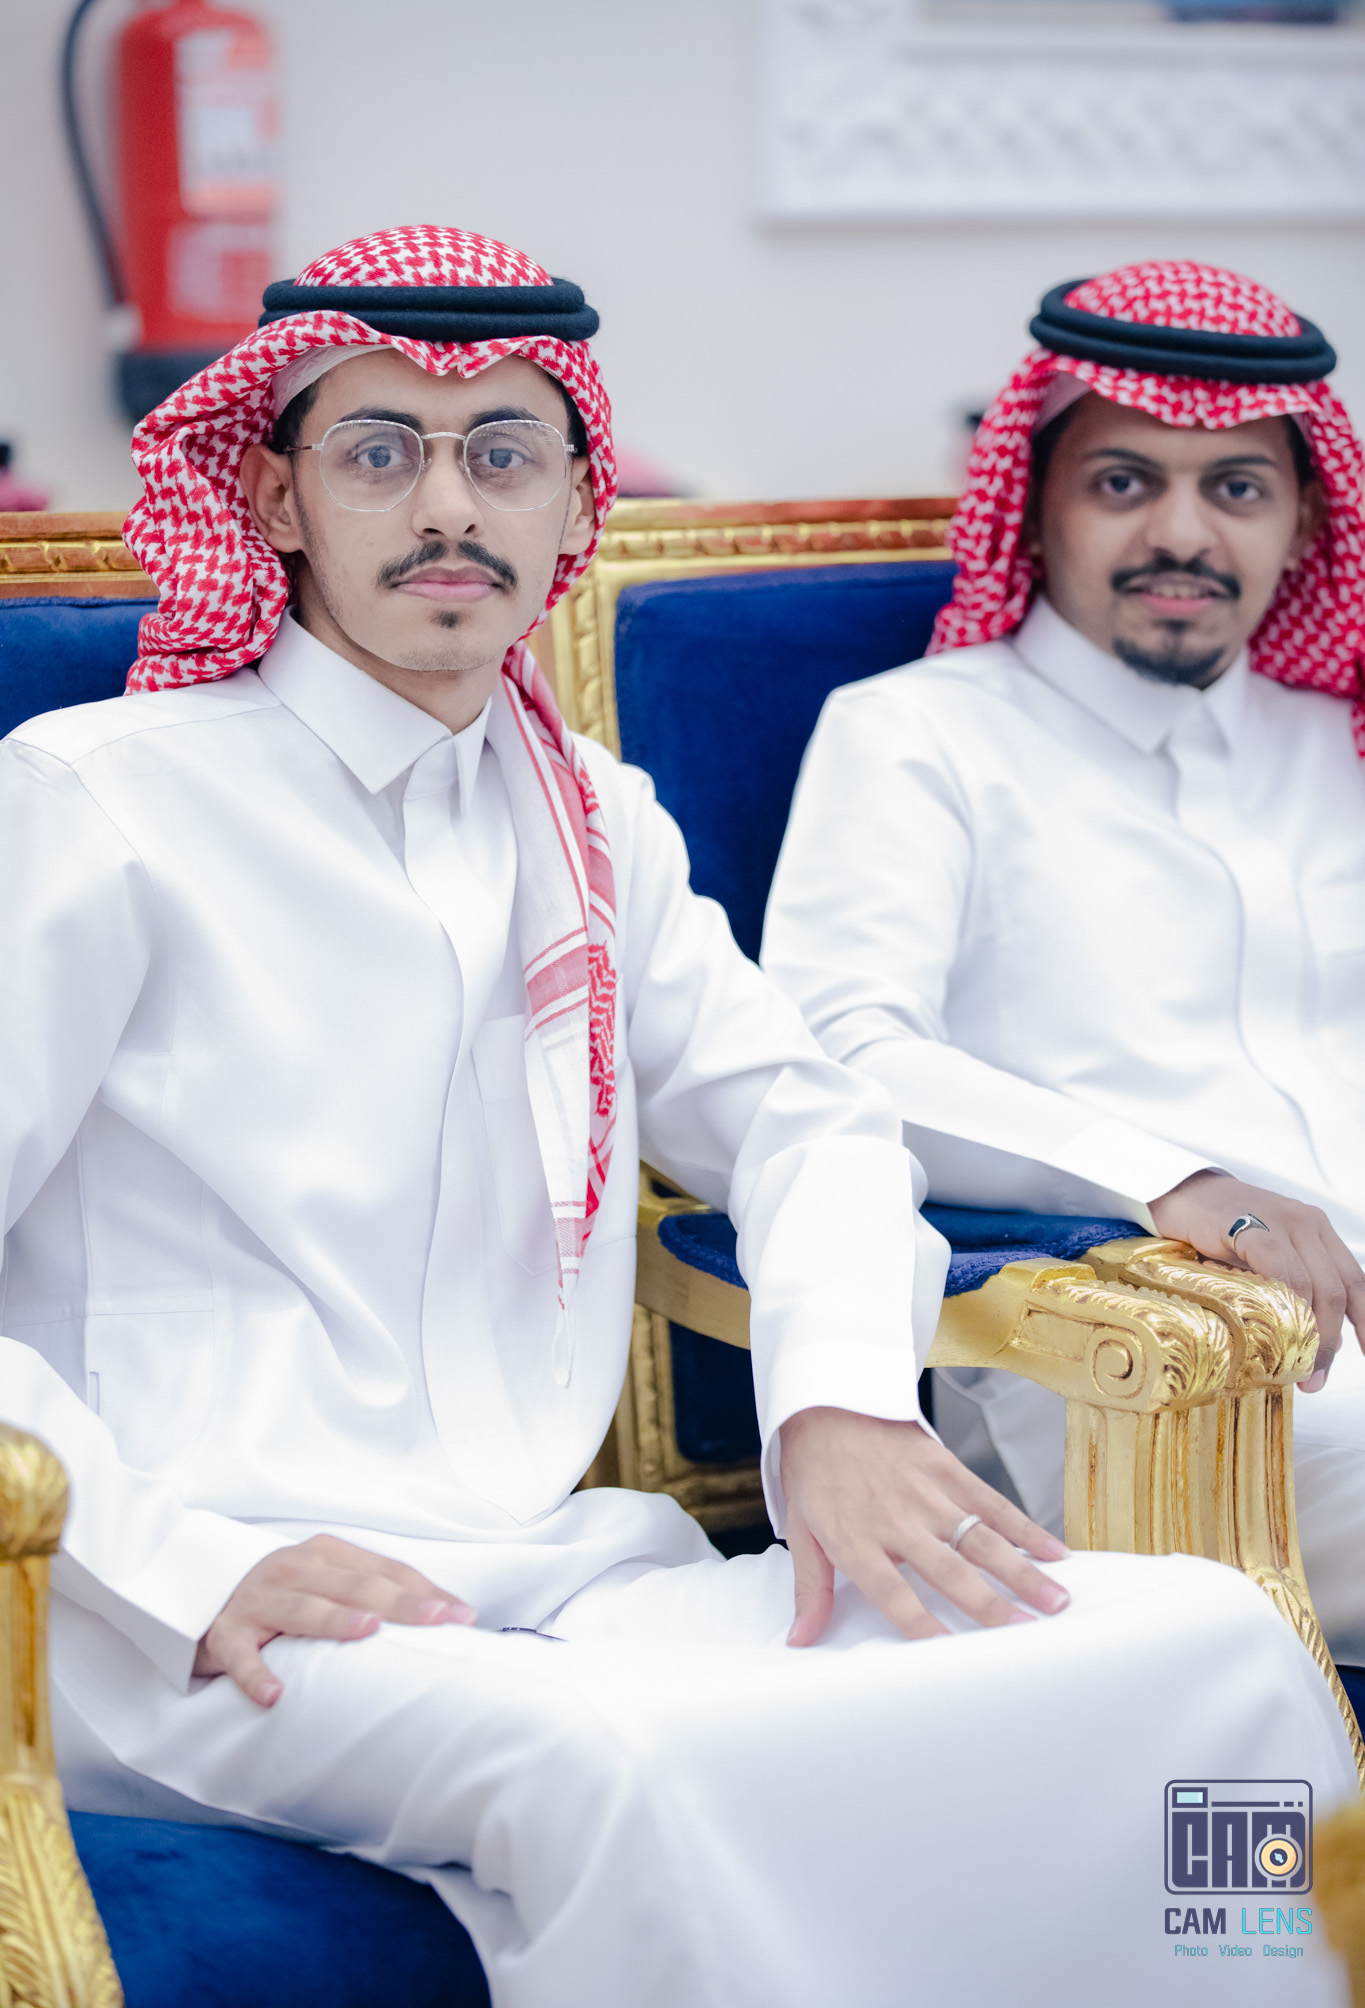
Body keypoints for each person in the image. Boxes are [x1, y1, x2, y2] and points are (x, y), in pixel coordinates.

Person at [1, 232, 1353, 2008]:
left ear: (577, 506)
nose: (446, 504)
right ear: (269, 497)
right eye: (380, 451)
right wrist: (178, 1562)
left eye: (501, 453)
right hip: (184, 1604)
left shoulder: (590, 818)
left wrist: (837, 1409)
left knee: (1200, 1653)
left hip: (558, 1573)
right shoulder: (99, 802)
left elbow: (809, 1122)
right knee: (613, 1774)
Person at [764, 259, 1365, 1664]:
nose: (1181, 533)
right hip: (1162, 1374)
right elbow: (836, 1053)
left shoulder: (1336, 740)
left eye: (1236, 487)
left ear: (1300, 520)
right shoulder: (916, 734)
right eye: (1122, 482)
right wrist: (1166, 1178)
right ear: (1036, 503)